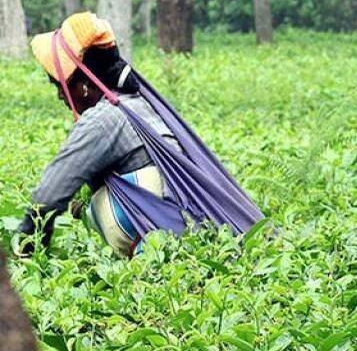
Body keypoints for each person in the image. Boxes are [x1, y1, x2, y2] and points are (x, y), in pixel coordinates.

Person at [18, 13, 262, 257]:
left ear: (83, 86)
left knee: (104, 200)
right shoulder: (138, 99)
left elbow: (48, 197)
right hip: (204, 230)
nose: (61, 95)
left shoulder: (103, 119)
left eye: (60, 85)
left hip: (170, 245)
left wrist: (26, 252)